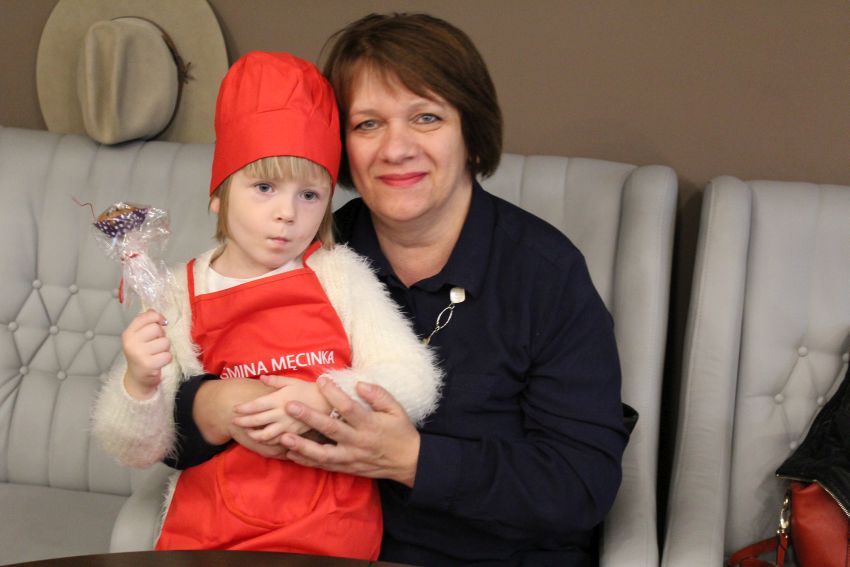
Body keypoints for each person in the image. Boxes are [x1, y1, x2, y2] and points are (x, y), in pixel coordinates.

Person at [171, 13, 629, 567]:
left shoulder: (545, 273)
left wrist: (411, 459)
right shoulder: (306, 251)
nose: (396, 149)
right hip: (314, 549)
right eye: (368, 124)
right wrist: (207, 406)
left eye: (426, 117)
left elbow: (581, 485)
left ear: (472, 134)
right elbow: (173, 415)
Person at [91, 51, 442, 559]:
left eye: (309, 195)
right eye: (263, 187)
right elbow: (135, 449)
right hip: (209, 531)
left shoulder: (339, 275)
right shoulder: (176, 293)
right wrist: (140, 384)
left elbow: (415, 379)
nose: (286, 214)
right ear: (219, 195)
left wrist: (324, 399)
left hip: (331, 531)